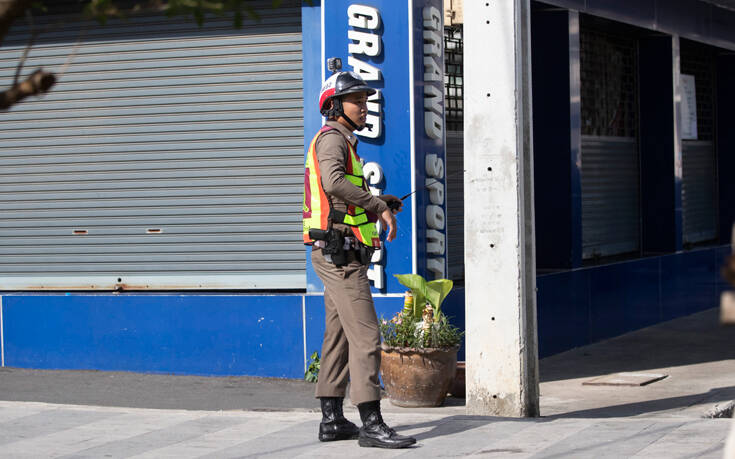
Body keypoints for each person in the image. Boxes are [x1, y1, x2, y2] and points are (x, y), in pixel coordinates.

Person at [302, 67, 416, 449]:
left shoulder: (343, 141)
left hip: (338, 251)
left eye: (366, 102)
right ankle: (372, 423)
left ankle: (332, 420)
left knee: (338, 335)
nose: (364, 108)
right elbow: (334, 182)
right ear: (334, 105)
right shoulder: (332, 139)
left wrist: (380, 204)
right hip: (340, 257)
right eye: (357, 101)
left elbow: (340, 201)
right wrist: (375, 203)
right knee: (367, 336)